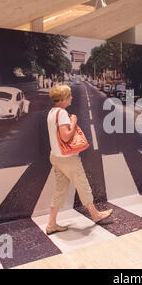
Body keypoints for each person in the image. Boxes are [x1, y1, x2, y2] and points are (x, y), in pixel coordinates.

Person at [46, 84, 112, 235]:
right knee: (83, 185)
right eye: (69, 96)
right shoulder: (62, 113)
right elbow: (66, 136)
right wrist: (73, 121)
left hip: (56, 157)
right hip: (68, 158)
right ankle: (95, 214)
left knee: (60, 190)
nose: (71, 98)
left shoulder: (51, 112)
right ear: (62, 98)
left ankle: (51, 224)